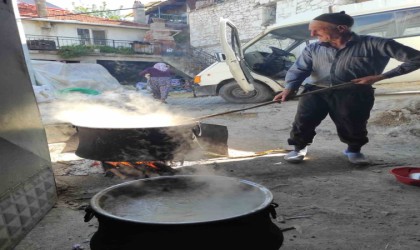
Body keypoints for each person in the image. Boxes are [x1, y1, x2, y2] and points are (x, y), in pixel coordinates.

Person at [273, 11, 420, 165]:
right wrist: (290, 88)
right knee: (304, 121)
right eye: (311, 29)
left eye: (317, 29)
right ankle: (298, 148)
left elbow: (417, 58)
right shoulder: (313, 48)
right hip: (315, 91)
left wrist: (381, 77)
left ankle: (354, 150)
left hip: (354, 92)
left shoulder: (376, 44)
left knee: (353, 123)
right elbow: (299, 69)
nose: (312, 33)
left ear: (341, 28)